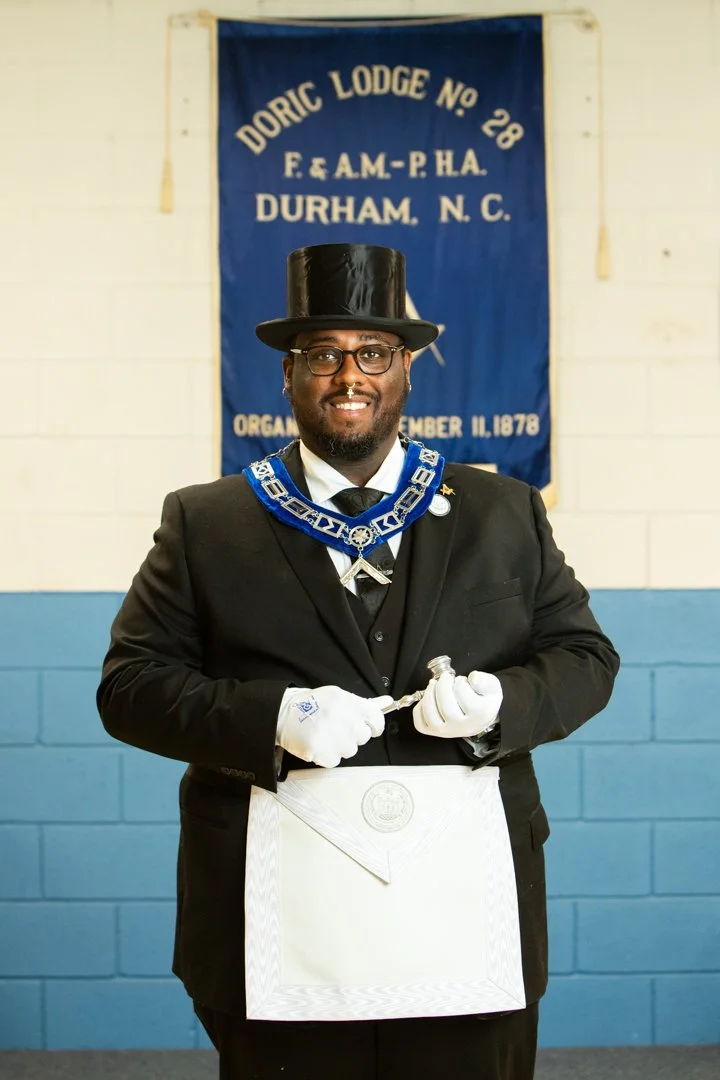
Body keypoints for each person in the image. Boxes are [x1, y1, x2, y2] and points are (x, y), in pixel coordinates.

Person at [97, 242, 619, 1080]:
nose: (350, 376)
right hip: (276, 908)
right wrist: (275, 718)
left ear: (406, 369)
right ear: (288, 375)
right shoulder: (207, 521)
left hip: (464, 904)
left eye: (373, 353)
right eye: (323, 355)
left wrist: (502, 703)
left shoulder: (502, 510)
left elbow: (585, 658)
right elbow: (130, 689)